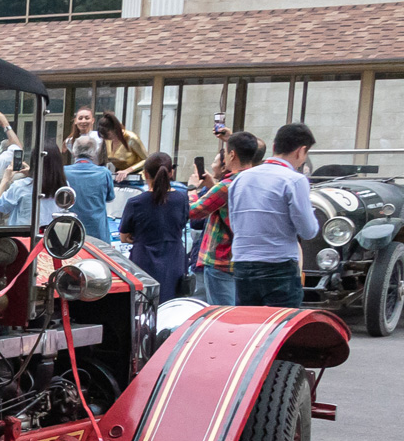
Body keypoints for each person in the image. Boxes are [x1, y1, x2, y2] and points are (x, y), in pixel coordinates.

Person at [227, 122, 318, 306]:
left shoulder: (240, 179)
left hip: (242, 264)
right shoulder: (295, 180)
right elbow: (308, 231)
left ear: (275, 147)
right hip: (279, 266)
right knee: (281, 328)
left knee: (251, 327)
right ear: (301, 151)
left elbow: (235, 224)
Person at [187, 133, 258, 306]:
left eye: (226, 153)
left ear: (232, 155)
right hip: (250, 259)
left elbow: (194, 212)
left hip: (222, 260)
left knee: (223, 317)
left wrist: (192, 190)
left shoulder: (227, 185)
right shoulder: (258, 181)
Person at [118, 152, 190, 300]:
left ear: (145, 174)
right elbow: (181, 225)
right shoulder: (182, 198)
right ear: (171, 172)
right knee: (171, 306)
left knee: (144, 306)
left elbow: (124, 237)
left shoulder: (136, 202)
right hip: (174, 259)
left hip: (144, 260)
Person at [63, 133, 116, 242]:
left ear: (73, 151)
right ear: (94, 152)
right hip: (97, 233)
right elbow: (110, 198)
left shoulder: (63, 172)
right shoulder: (104, 173)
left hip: (70, 232)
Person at [94, 110, 147, 182]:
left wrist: (128, 170)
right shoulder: (107, 140)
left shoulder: (131, 138)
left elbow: (146, 159)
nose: (106, 138)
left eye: (107, 135)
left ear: (115, 130)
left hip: (137, 176)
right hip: (119, 176)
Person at [0, 158, 34, 226]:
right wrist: (31, 175)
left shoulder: (20, 186)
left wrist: (5, 179)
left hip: (21, 233)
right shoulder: (57, 190)